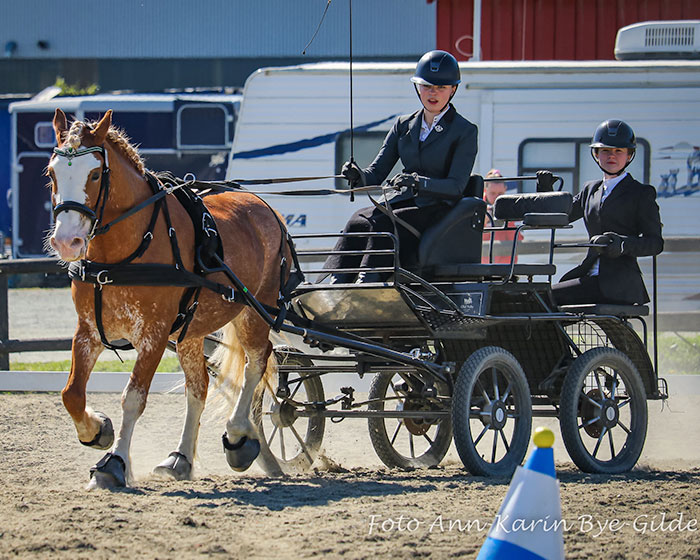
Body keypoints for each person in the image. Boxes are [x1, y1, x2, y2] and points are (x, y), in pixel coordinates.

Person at [324, 50, 478, 283]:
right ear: (418, 88)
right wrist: (358, 176)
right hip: (403, 203)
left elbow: (456, 186)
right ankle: (337, 282)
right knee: (358, 219)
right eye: (427, 86)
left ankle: (368, 280)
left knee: (385, 222)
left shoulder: (464, 131)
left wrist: (418, 183)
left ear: (453, 90)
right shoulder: (403, 125)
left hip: (436, 208)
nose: (433, 93)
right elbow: (376, 173)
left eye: (441, 87)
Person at [551, 119, 664, 306]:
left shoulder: (641, 193)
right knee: (541, 298)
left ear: (629, 155)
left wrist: (622, 244)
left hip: (619, 284)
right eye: (605, 150)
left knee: (547, 298)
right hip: (589, 275)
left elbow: (655, 243)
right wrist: (546, 194)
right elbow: (562, 215)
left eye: (618, 151)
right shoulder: (590, 190)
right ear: (596, 154)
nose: (612, 156)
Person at [481, 168, 521, 264]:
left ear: (505, 190)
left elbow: (517, 240)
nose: (497, 197)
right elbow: (470, 241)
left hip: (505, 265)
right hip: (482, 265)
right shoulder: (476, 207)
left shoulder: (511, 207)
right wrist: (483, 223)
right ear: (485, 190)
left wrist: (509, 219)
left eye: (500, 194)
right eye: (493, 193)